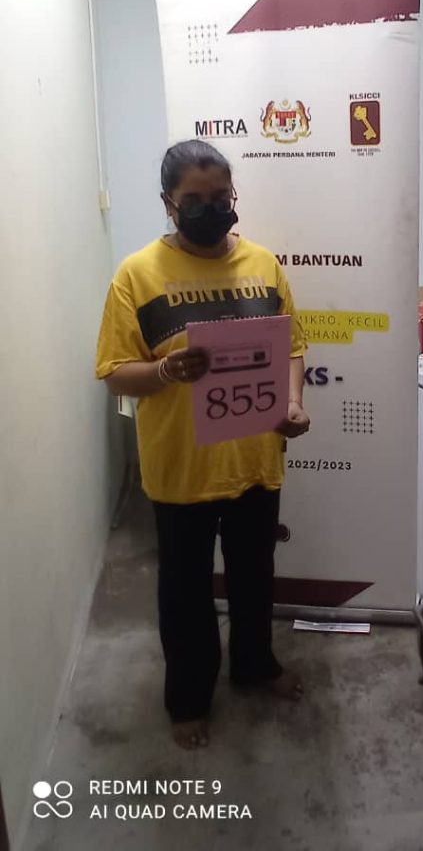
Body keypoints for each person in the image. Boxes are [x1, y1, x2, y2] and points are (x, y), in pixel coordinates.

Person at [95, 139, 310, 750]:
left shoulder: (263, 265)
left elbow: (293, 349)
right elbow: (114, 371)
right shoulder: (137, 275)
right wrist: (165, 371)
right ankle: (188, 699)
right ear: (168, 202)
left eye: (221, 197)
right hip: (181, 469)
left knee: (254, 577)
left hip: (254, 461)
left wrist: (293, 402)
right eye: (194, 200)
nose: (210, 209)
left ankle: (254, 666)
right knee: (186, 593)